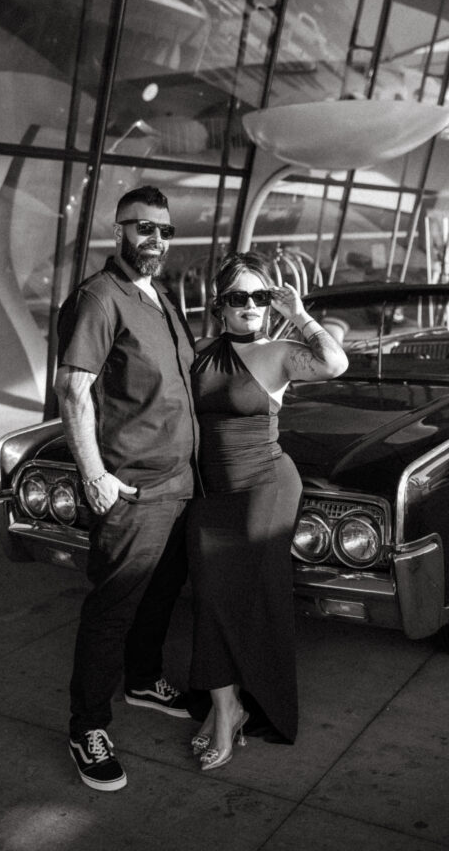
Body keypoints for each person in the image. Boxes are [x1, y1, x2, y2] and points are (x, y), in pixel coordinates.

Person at [54, 185, 199, 792]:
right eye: (145, 229)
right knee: (113, 607)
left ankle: (142, 679)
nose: (156, 241)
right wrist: (95, 477)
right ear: (119, 230)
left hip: (179, 481)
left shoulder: (160, 296)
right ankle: (86, 726)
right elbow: (72, 389)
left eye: (165, 232)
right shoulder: (98, 297)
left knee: (161, 591)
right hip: (132, 487)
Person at [187, 251, 348, 770]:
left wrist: (298, 313)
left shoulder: (279, 351)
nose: (251, 305)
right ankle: (226, 705)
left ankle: (230, 708)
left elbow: (335, 363)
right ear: (221, 305)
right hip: (211, 493)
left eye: (260, 296)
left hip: (266, 486)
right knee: (211, 598)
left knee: (243, 598)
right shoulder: (199, 351)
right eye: (239, 297)